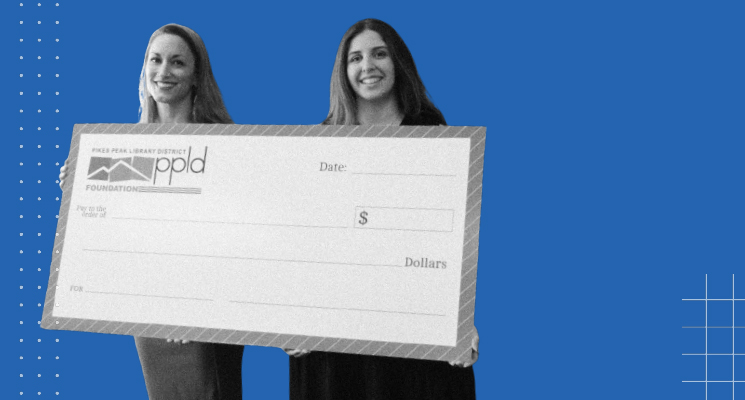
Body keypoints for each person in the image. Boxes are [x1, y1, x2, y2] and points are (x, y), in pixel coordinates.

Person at [288, 18, 479, 400]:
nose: (367, 66)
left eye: (379, 54)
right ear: (342, 72)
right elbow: (303, 244)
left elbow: (451, 239)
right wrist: (291, 318)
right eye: (354, 58)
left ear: (399, 62)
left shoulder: (435, 134)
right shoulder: (318, 143)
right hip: (336, 335)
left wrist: (462, 319)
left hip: (414, 326)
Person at [59, 23, 244, 400]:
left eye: (178, 62)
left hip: (203, 307)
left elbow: (235, 233)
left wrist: (193, 303)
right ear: (144, 69)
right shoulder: (125, 146)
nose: (164, 72)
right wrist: (76, 192)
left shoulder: (224, 142)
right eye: (155, 60)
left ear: (196, 76)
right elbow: (118, 233)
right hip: (149, 308)